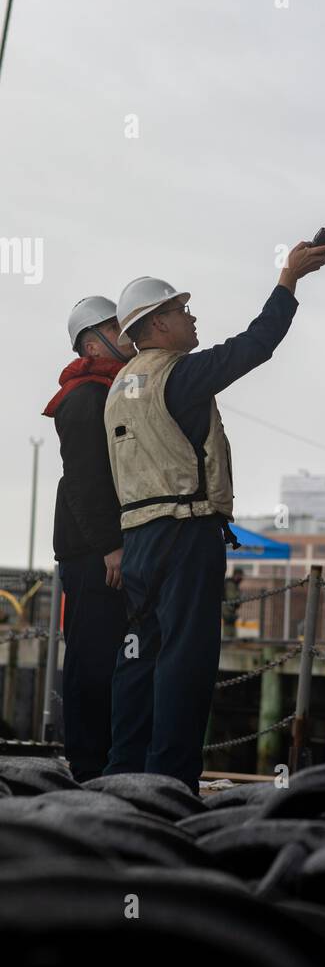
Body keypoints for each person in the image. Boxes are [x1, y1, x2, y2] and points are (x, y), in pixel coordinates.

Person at [102, 240, 325, 792]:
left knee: (139, 655)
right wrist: (288, 280)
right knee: (186, 657)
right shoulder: (177, 375)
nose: (191, 316)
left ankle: (120, 775)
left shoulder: (119, 387)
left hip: (138, 538)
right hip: (186, 533)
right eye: (181, 310)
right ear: (156, 325)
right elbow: (255, 345)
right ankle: (170, 782)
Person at [42, 297, 133, 780]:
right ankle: (88, 766)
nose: (129, 332)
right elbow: (84, 481)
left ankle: (108, 762)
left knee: (112, 656)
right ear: (93, 341)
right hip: (92, 552)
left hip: (102, 547)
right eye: (118, 326)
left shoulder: (113, 391)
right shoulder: (85, 398)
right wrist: (109, 546)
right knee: (91, 658)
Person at [221, 567, 244, 639]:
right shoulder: (230, 584)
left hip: (229, 609)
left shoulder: (232, 583)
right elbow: (231, 598)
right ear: (236, 575)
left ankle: (230, 642)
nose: (241, 578)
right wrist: (240, 597)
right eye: (240, 575)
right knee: (228, 628)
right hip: (227, 609)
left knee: (231, 627)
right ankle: (228, 643)